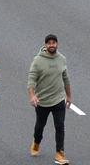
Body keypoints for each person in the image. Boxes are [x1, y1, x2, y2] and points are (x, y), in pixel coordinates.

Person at [27, 34, 72, 164]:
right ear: (45, 45)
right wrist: (32, 95)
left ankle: (60, 153)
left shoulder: (61, 59)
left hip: (58, 99)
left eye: (54, 43)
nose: (52, 45)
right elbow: (31, 79)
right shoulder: (38, 60)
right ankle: (36, 142)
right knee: (40, 126)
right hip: (42, 101)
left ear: (57, 44)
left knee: (60, 126)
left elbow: (66, 79)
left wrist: (68, 96)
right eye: (49, 43)